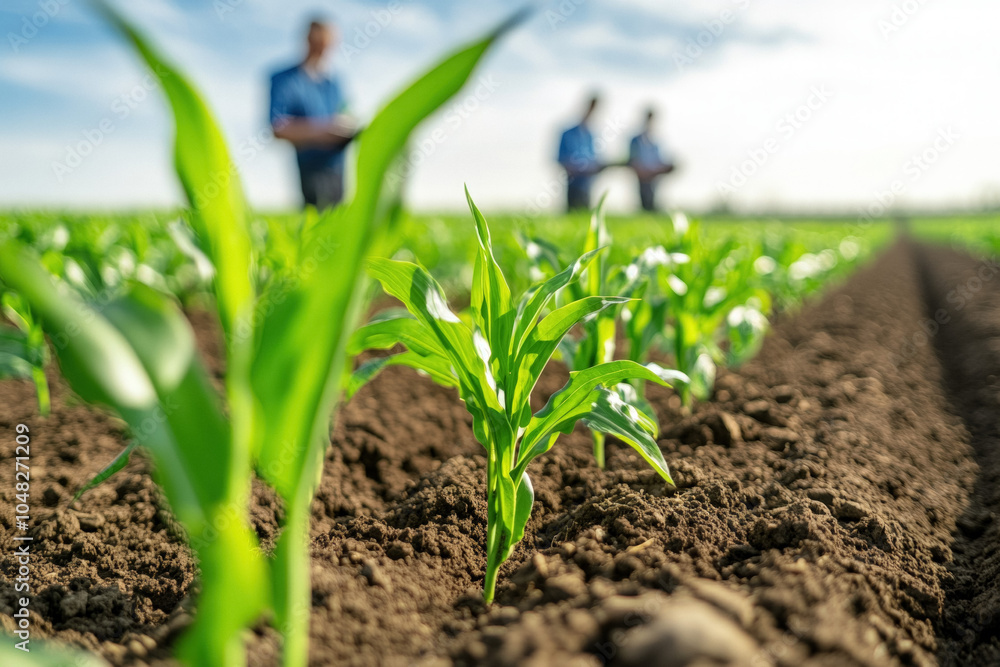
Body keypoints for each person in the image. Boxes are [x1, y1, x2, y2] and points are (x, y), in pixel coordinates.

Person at [269, 18, 359, 209]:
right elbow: (278, 127)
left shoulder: (335, 83)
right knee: (315, 216)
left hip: (338, 165)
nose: (322, 51)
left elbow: (346, 113)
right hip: (309, 165)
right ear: (307, 40)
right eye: (318, 43)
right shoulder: (285, 79)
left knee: (339, 218)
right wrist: (324, 131)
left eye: (327, 45)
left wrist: (347, 125)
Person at [557, 95, 606, 212]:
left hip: (588, 182)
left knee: (585, 210)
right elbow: (561, 158)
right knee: (573, 210)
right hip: (573, 181)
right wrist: (577, 167)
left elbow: (594, 158)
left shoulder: (591, 135)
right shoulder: (568, 133)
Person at [628, 108, 675, 212]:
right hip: (643, 176)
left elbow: (659, 160)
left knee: (652, 199)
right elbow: (634, 160)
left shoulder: (655, 142)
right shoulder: (636, 140)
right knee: (645, 200)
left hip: (654, 177)